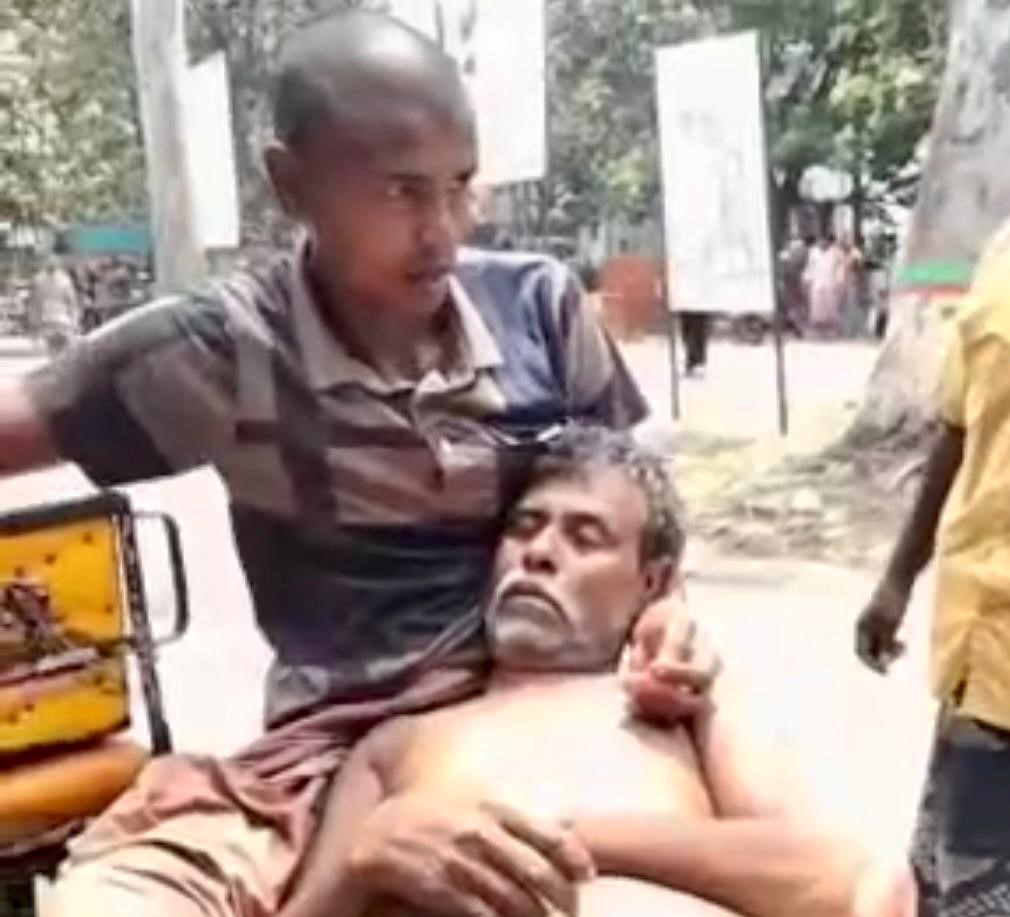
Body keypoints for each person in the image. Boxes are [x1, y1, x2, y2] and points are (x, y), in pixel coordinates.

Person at [0, 11, 711, 915]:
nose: (443, 232)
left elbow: (640, 506)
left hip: (535, 716)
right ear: (291, 182)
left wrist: (671, 611)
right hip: (320, 760)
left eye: (461, 186)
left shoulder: (539, 308)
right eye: (403, 193)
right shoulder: (226, 352)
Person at [281, 426, 912, 917]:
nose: (539, 553)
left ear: (653, 583)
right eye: (524, 528)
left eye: (585, 538)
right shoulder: (398, 744)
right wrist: (363, 861)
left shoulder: (682, 704)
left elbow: (846, 884)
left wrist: (562, 836)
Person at [855, 220, 1010, 916]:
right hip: (983, 645)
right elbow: (958, 425)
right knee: (957, 881)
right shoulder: (1002, 248)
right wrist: (898, 578)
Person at [29, 256, 79, 355]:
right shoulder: (65, 279)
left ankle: (56, 360)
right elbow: (72, 302)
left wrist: (34, 325)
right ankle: (59, 360)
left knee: (53, 348)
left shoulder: (38, 279)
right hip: (60, 319)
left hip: (50, 319)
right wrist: (74, 321)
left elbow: (35, 303)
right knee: (59, 349)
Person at [805, 235, 846, 337]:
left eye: (824, 241)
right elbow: (810, 267)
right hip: (817, 282)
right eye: (820, 241)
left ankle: (833, 329)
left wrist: (839, 281)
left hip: (831, 282)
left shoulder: (836, 252)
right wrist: (807, 279)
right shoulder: (813, 252)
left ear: (829, 241)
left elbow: (840, 268)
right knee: (817, 307)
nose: (822, 243)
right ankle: (819, 330)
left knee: (831, 307)